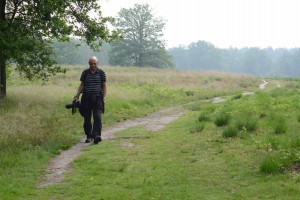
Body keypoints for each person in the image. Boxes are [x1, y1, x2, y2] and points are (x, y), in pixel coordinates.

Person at [74, 56, 106, 144]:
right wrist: (77, 96)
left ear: (97, 63)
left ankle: (96, 135)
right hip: (86, 98)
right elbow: (82, 85)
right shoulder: (85, 73)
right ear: (89, 64)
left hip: (98, 98)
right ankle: (89, 136)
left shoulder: (101, 73)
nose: (93, 65)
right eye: (91, 64)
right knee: (87, 118)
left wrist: (104, 98)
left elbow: (104, 85)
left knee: (97, 117)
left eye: (94, 64)